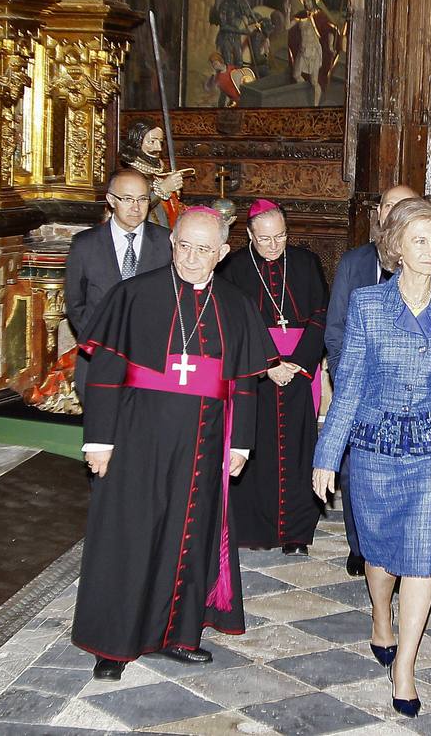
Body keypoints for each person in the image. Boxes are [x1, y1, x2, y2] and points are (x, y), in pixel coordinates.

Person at [71, 208, 279, 680]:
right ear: (172, 244)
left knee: (191, 534)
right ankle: (115, 642)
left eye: (204, 249)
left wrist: (241, 443)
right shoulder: (133, 294)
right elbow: (104, 373)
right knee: (133, 533)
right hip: (135, 438)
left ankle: (179, 635)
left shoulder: (235, 303)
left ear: (223, 253)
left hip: (206, 441)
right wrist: (98, 440)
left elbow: (245, 382)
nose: (192, 257)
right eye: (184, 245)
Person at [311, 198, 431, 719]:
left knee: (423, 559)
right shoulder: (368, 303)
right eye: (419, 241)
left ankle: (405, 667)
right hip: (375, 447)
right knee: (380, 557)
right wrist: (328, 453)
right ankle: (380, 616)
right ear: (397, 248)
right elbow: (349, 388)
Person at [220, 200, 328, 554]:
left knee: (299, 449)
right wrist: (268, 364)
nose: (273, 246)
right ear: (250, 234)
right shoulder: (234, 267)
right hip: (256, 371)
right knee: (257, 446)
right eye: (264, 239)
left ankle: (297, 532)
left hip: (300, 370)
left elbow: (320, 314)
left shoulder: (305, 262)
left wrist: (298, 362)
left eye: (280, 237)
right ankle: (256, 529)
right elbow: (234, 324)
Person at [325, 183, 418, 576]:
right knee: (355, 470)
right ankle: (360, 545)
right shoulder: (354, 262)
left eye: (405, 207)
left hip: (410, 392)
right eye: (389, 206)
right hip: (360, 389)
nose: (395, 213)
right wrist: (349, 381)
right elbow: (336, 329)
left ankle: (400, 545)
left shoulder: (426, 264)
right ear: (379, 214)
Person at [64, 169, 172, 397]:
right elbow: (75, 304)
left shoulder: (167, 243)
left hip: (151, 364)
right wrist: (100, 343)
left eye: (142, 199)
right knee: (100, 431)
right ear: (111, 200)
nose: (136, 207)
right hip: (99, 361)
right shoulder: (85, 245)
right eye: (128, 199)